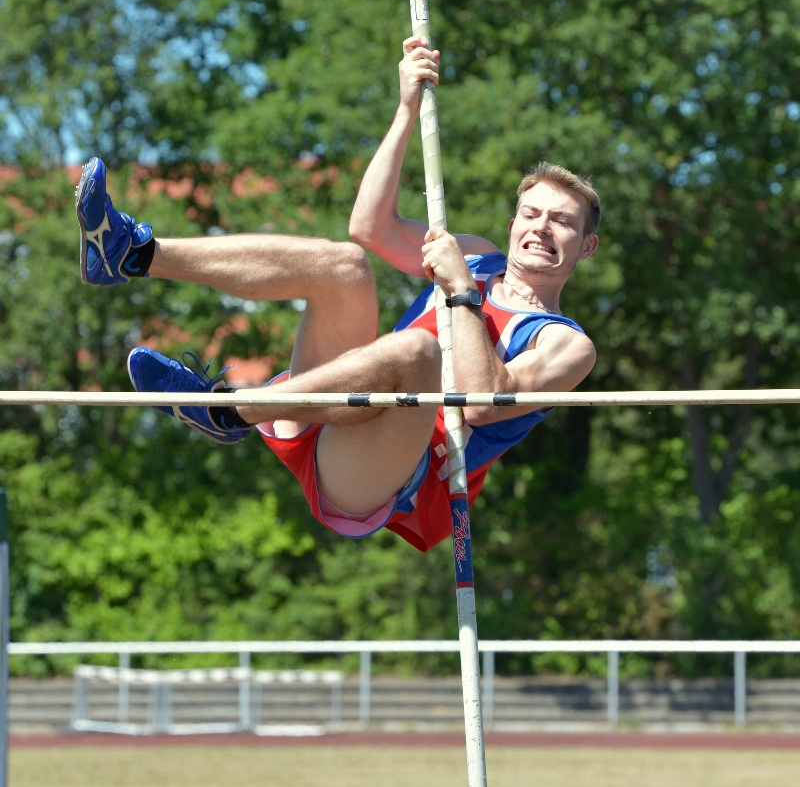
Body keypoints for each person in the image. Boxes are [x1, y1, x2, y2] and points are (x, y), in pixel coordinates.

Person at [74, 38, 600, 552]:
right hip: (328, 409)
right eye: (531, 214)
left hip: (377, 470)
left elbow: (482, 403)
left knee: (419, 352)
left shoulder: (566, 344)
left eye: (562, 222)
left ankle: (230, 410)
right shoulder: (478, 256)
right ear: (513, 224)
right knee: (345, 264)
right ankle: (130, 254)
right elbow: (370, 227)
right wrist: (405, 111)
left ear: (587, 245)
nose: (541, 228)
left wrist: (461, 290)